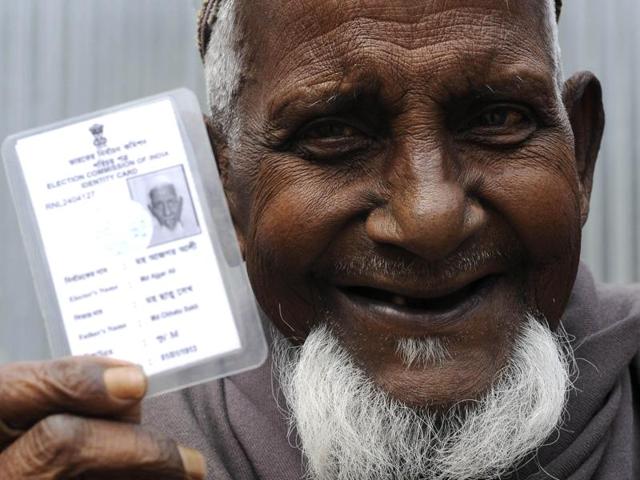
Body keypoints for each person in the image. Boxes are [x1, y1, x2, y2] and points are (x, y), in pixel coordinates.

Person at [0, 0, 637, 479]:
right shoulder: (124, 453)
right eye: (332, 133)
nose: (430, 222)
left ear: (579, 152)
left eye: (498, 119)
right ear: (223, 191)